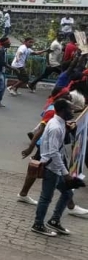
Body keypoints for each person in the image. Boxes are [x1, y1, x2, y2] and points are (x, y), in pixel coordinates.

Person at [31, 99, 78, 236]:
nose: (73, 111)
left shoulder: (59, 123)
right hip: (51, 168)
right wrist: (65, 173)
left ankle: (54, 221)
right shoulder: (56, 127)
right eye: (70, 109)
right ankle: (38, 224)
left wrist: (68, 128)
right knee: (46, 198)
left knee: (68, 193)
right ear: (63, 110)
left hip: (55, 167)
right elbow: (53, 152)